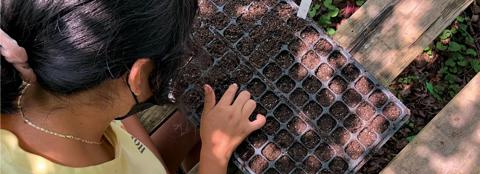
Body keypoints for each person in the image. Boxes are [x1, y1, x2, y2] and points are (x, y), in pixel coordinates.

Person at [0, 0, 266, 174]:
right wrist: (214, 154)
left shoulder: (23, 74)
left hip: (137, 156)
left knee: (186, 123)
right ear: (138, 75)